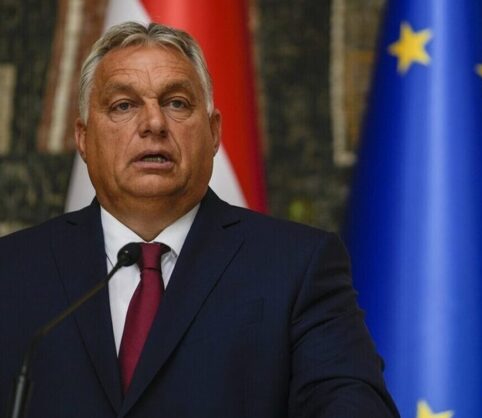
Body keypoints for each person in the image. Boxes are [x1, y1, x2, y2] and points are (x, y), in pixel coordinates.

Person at [0, 22, 398, 418]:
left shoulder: (296, 266)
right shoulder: (13, 270)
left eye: (176, 103)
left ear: (213, 133)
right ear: (83, 138)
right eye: (123, 105)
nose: (154, 123)